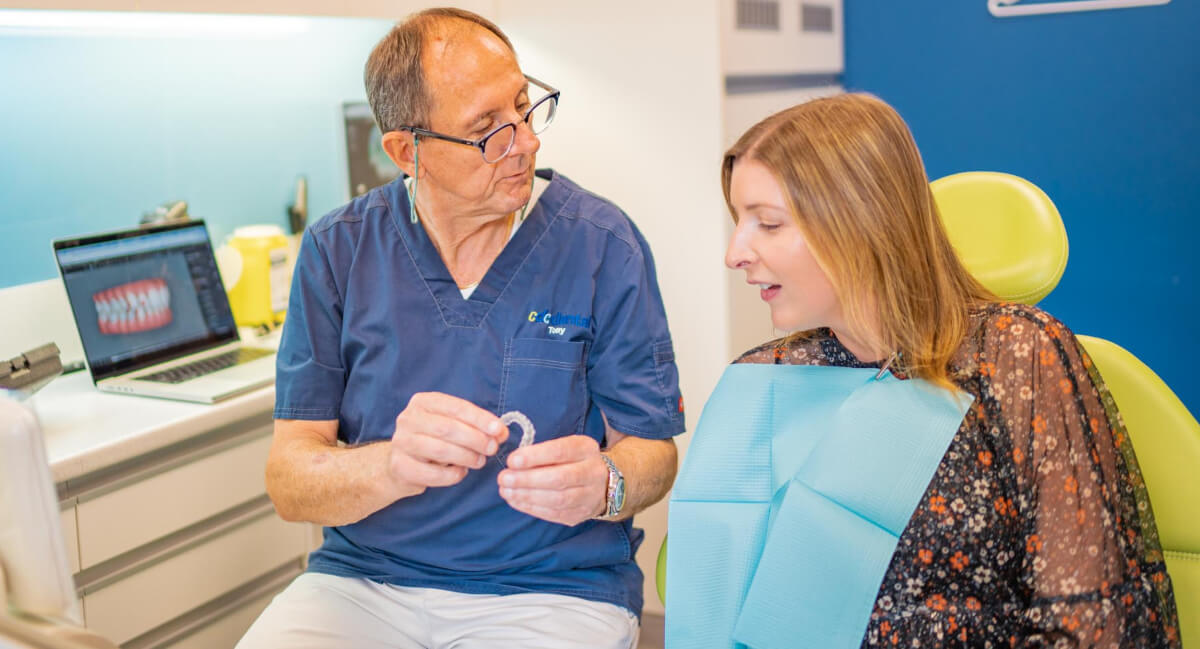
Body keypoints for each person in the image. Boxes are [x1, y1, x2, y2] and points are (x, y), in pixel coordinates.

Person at [237, 8, 684, 649]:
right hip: (364, 584)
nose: (525, 142)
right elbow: (290, 482)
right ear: (407, 151)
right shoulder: (339, 250)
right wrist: (391, 465)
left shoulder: (601, 244)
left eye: (524, 107)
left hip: (553, 590)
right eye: (487, 130)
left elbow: (654, 455)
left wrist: (607, 484)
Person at [714, 93, 1180, 647]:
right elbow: (720, 599)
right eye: (739, 222)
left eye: (768, 224)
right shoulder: (765, 379)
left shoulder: (1017, 359)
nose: (735, 253)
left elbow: (1089, 624)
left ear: (860, 220)